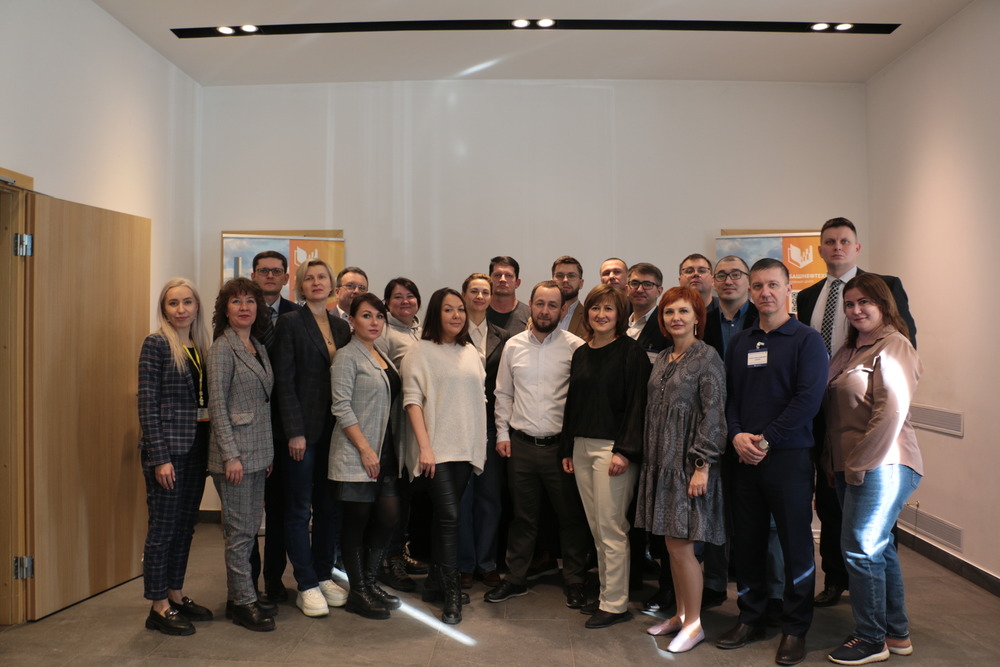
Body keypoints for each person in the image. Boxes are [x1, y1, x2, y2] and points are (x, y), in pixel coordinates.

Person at [796, 217, 918, 610]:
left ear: (857, 247)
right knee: (830, 502)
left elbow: (905, 346)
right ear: (819, 249)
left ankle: (875, 600)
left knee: (872, 531)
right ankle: (836, 578)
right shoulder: (807, 296)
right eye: (830, 241)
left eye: (844, 241)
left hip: (870, 416)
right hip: (825, 412)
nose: (837, 247)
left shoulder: (885, 286)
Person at [717, 259, 827, 666]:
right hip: (744, 457)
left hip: (788, 458)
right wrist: (736, 434)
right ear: (750, 291)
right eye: (759, 285)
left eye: (773, 285)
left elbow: (808, 400)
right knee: (747, 542)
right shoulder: (740, 342)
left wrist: (766, 439)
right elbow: (729, 397)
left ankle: (795, 628)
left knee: (795, 545)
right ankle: (750, 616)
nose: (765, 292)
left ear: (787, 289)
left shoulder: (806, 340)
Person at [823, 273, 922, 666]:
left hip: (885, 464)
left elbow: (890, 412)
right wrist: (834, 462)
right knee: (878, 550)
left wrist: (859, 464)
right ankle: (896, 633)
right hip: (851, 465)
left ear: (883, 305)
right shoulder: (850, 350)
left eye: (865, 302)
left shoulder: (894, 345)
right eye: (850, 304)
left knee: (861, 549)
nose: (856, 310)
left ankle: (870, 638)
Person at [486, 281, 590, 610]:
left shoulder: (576, 347)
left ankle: (575, 580)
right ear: (530, 305)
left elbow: (581, 402)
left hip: (561, 450)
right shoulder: (513, 346)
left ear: (563, 309)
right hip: (521, 446)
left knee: (570, 517)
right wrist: (502, 434)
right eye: (540, 304)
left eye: (552, 305)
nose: (545, 311)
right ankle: (515, 578)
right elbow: (503, 394)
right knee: (522, 517)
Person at [635, 286, 726, 652]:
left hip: (688, 466)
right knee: (671, 547)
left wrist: (702, 465)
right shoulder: (662, 358)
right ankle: (681, 614)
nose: (676, 318)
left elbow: (713, 415)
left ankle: (695, 624)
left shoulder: (708, 357)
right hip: (661, 463)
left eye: (684, 311)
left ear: (697, 317)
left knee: (683, 547)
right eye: (670, 312)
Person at [561, 285, 651, 629]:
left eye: (608, 309)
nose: (601, 314)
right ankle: (606, 595)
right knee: (597, 527)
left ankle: (614, 604)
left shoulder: (631, 353)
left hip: (613, 451)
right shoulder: (582, 353)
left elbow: (637, 406)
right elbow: (574, 404)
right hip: (582, 446)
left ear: (620, 314)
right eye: (596, 308)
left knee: (612, 527)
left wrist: (624, 451)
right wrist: (567, 447)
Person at [402, 288, 487, 624]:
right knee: (451, 517)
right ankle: (452, 595)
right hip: (435, 450)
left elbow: (478, 399)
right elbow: (412, 402)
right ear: (436, 313)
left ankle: (436, 583)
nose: (456, 315)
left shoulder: (470, 352)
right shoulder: (420, 351)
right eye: (449, 309)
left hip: (465, 448)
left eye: (460, 310)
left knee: (443, 517)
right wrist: (425, 447)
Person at [272, 259, 351, 617]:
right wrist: (294, 431)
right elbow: (284, 382)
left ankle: (322, 574)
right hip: (302, 435)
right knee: (299, 509)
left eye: (322, 277)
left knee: (329, 509)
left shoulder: (341, 326)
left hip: (335, 433)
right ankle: (305, 583)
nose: (316, 282)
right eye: (309, 278)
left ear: (332, 285)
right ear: (301, 286)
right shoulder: (290, 323)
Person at [138, 278, 214, 636]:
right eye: (173, 303)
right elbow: (147, 403)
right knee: (163, 529)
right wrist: (159, 457)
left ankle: (175, 594)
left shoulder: (200, 346)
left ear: (197, 307)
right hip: (169, 451)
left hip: (197, 447)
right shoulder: (156, 344)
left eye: (187, 302)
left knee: (185, 527)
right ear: (164, 309)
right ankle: (158, 606)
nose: (181, 309)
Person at [329, 292, 404, 620]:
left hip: (384, 452)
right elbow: (341, 406)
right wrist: (364, 449)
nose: (374, 322)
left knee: (388, 517)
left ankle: (370, 583)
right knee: (356, 523)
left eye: (379, 316)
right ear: (352, 320)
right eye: (366, 316)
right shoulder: (347, 356)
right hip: (357, 453)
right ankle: (358, 591)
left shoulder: (380, 354)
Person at [207, 277, 276, 632]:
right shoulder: (223, 348)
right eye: (236, 301)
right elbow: (217, 406)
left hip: (258, 453)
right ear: (225, 309)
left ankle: (241, 594)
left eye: (250, 301)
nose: (244, 307)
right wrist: (231, 456)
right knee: (238, 534)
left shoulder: (257, 346)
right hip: (233, 457)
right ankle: (243, 604)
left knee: (249, 530)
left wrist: (267, 455)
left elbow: (262, 404)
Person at [249, 250, 300, 604]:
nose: (270, 275)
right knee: (249, 514)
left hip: (284, 427)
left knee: (280, 509)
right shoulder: (241, 312)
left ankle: (275, 579)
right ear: (254, 275)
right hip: (250, 427)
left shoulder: (297, 315)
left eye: (276, 271)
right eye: (263, 270)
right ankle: (247, 583)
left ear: (285, 278)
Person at [458, 273, 511, 589]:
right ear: (464, 294)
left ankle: (487, 563)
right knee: (463, 496)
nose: (479, 296)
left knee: (490, 496)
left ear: (491, 297)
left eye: (485, 292)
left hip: (491, 424)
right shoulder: (451, 333)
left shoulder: (504, 337)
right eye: (474, 291)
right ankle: (465, 563)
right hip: (460, 424)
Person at [374, 276, 426, 592]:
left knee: (406, 498)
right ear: (387, 303)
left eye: (410, 295)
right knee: (392, 500)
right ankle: (387, 561)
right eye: (397, 297)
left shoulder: (423, 330)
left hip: (418, 427)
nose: (405, 301)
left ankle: (400, 553)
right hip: (394, 427)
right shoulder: (384, 334)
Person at [486, 255, 530, 335]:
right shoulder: (478, 313)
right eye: (497, 275)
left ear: (517, 283)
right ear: (489, 280)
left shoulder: (530, 317)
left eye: (509, 276)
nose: (502, 279)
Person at [551, 255, 587, 338]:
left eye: (571, 276)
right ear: (552, 282)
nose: (565, 280)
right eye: (560, 276)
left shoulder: (589, 318)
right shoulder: (539, 317)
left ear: (581, 283)